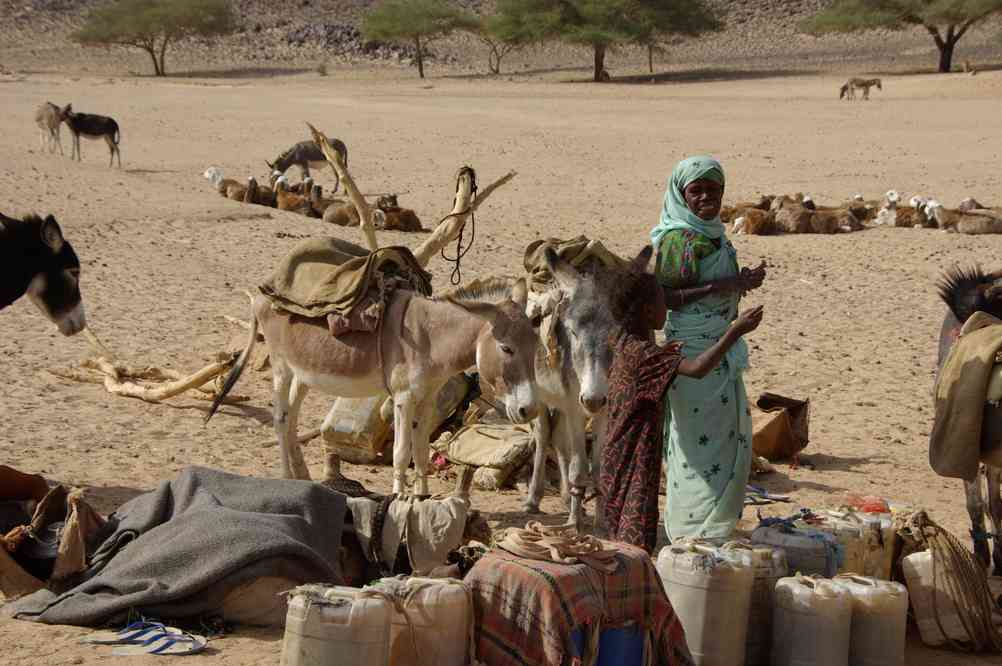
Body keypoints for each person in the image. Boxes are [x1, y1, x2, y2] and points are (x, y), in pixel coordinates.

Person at [601, 258, 762, 553]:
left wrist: (664, 353)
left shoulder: (622, 339)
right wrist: (735, 331)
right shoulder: (645, 355)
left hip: (617, 452)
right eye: (663, 302)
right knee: (633, 541)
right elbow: (698, 369)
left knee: (619, 533)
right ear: (648, 312)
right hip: (634, 457)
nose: (668, 307)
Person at [651, 155, 767, 543]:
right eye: (696, 190)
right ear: (681, 195)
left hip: (720, 348)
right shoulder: (678, 239)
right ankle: (692, 530)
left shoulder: (713, 234)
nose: (705, 197)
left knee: (725, 438)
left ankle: (714, 529)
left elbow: (708, 286)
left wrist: (741, 281)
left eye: (713, 190)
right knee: (697, 447)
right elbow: (665, 298)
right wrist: (724, 286)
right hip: (695, 351)